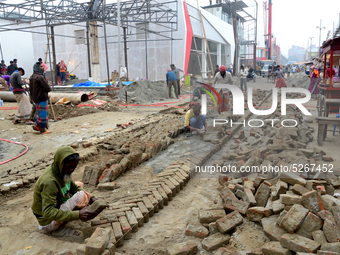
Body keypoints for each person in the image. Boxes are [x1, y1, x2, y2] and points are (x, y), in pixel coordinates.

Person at [31, 145, 105, 237]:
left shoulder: (60, 169)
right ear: (61, 164)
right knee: (81, 195)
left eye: (74, 167)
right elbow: (48, 212)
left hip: (56, 206)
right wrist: (78, 215)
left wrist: (91, 197)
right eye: (69, 167)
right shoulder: (49, 182)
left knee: (79, 185)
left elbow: (74, 187)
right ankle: (58, 227)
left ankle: (63, 220)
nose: (72, 170)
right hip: (47, 223)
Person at [29, 62, 52, 134]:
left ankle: (37, 126)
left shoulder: (32, 76)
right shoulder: (40, 77)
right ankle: (42, 129)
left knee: (39, 113)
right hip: (41, 97)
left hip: (35, 98)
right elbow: (47, 87)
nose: (43, 67)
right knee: (43, 115)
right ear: (38, 67)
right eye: (41, 66)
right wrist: (47, 90)